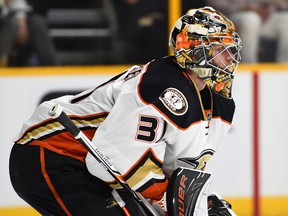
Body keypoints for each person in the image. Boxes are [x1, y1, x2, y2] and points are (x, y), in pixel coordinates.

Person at [9, 6, 241, 216]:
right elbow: (115, 157)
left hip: (94, 167)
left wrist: (203, 204)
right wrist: (163, 199)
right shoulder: (162, 86)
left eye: (231, 49)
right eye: (221, 49)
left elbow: (182, 170)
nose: (230, 58)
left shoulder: (219, 103)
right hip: (51, 152)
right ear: (195, 50)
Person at [206, 0, 288, 63]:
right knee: (251, 19)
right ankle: (249, 67)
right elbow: (214, 3)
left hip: (266, 18)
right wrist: (245, 8)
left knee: (286, 19)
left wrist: (269, 8)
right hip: (233, 18)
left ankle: (283, 68)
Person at [0, 0, 56, 67]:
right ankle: (2, 63)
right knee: (12, 24)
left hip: (10, 14)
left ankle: (52, 68)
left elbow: (16, 3)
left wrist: (20, 18)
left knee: (37, 23)